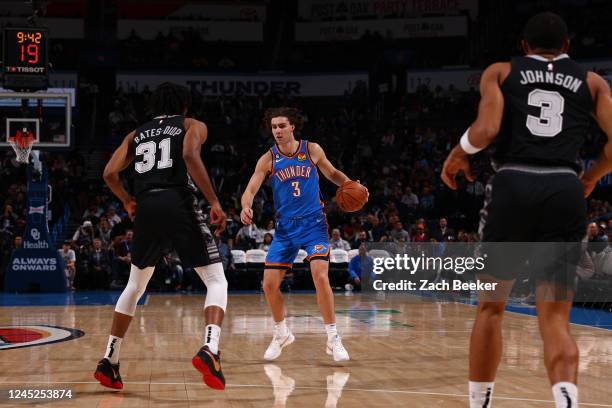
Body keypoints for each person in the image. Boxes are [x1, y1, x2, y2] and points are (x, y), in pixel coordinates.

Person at [441, 12, 612, 408]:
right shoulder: (592, 82)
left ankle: (479, 403)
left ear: (523, 47)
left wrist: (457, 153)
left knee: (490, 307)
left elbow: (485, 130)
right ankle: (566, 401)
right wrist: (593, 174)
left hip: (513, 185)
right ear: (567, 46)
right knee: (554, 319)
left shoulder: (501, 72)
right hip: (564, 188)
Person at [94, 82, 229, 391]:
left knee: (134, 285)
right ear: (184, 105)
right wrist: (214, 202)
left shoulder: (135, 134)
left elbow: (108, 174)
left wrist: (127, 200)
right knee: (216, 280)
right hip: (178, 202)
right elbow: (191, 156)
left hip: (146, 206)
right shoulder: (191, 124)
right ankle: (210, 348)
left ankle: (109, 361)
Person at [240, 107, 367, 362]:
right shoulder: (269, 158)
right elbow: (251, 187)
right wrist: (246, 204)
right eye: (274, 127)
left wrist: (352, 185)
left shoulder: (311, 150)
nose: (277, 130)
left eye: (281, 126)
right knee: (268, 285)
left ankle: (333, 338)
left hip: (314, 225)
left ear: (292, 127)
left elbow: (331, 173)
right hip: (285, 228)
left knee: (320, 276)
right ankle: (281, 333)